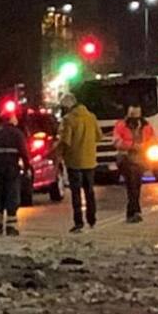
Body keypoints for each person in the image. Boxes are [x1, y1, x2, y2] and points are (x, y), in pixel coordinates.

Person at [57, 93, 100, 233]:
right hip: (90, 160)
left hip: (74, 161)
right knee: (89, 191)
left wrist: (58, 154)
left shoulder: (68, 120)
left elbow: (65, 141)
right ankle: (92, 219)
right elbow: (99, 136)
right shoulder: (91, 117)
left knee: (76, 192)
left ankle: (78, 222)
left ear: (67, 106)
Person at [0, 108, 31, 236]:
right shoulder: (17, 134)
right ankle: (11, 227)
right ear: (11, 119)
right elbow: (24, 153)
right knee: (12, 196)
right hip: (12, 169)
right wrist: (27, 167)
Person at [112, 106, 154, 224]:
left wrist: (144, 146)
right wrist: (132, 146)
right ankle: (134, 212)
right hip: (126, 159)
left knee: (136, 185)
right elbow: (116, 141)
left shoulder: (146, 126)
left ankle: (133, 211)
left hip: (140, 159)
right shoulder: (121, 125)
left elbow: (151, 140)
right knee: (132, 184)